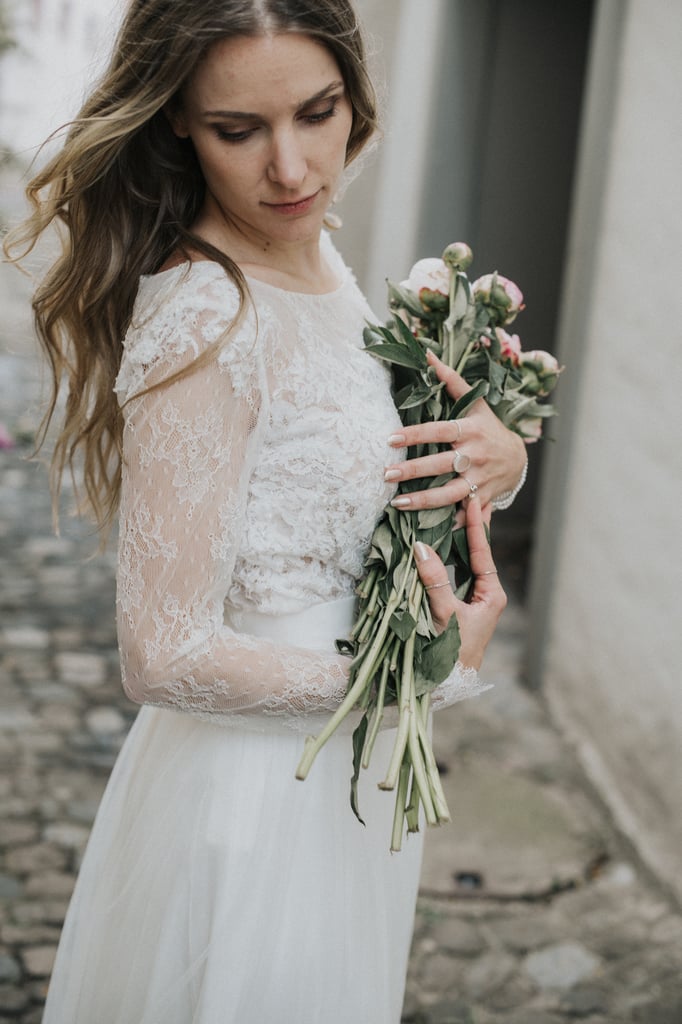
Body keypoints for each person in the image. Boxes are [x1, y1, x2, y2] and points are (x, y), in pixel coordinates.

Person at [5, 2, 526, 1021]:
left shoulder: (317, 258)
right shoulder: (207, 315)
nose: (289, 169)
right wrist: (418, 678)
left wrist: (493, 459)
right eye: (238, 131)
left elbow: (340, 482)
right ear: (178, 124)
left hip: (339, 779)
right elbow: (163, 653)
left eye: (316, 113)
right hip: (254, 799)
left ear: (355, 99)